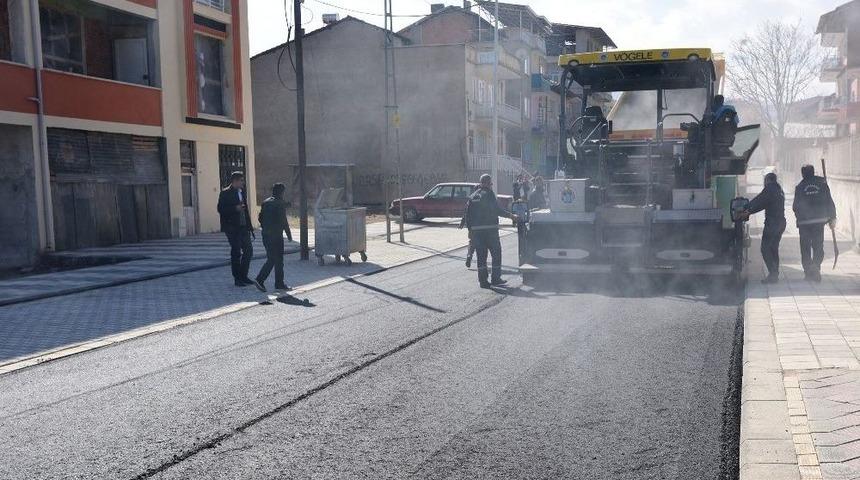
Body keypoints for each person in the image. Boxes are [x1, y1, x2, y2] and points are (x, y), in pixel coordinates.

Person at [464, 174, 516, 288]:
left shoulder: (472, 196)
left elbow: (467, 215)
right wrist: (511, 216)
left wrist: (470, 230)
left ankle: (483, 281)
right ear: (488, 184)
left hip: (477, 232)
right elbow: (496, 210)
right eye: (491, 184)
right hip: (490, 231)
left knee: (481, 257)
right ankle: (495, 279)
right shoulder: (489, 194)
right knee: (496, 254)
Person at [793, 164, 837, 282]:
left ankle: (808, 272)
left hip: (804, 223)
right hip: (819, 222)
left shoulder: (799, 187)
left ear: (803, 174)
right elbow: (829, 201)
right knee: (818, 247)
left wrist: (800, 217)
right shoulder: (822, 184)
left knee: (805, 248)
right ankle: (816, 266)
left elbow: (795, 206)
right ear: (813, 172)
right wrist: (832, 217)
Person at [741, 172, 786, 284]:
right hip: (781, 223)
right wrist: (748, 208)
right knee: (773, 248)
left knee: (765, 249)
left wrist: (748, 209)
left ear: (767, 180)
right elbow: (761, 200)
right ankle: (775, 274)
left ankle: (773, 274)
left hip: (772, 223)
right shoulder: (779, 189)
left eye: (765, 181)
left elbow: (760, 202)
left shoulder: (770, 189)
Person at [253, 183, 293, 292]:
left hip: (266, 235)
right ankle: (260, 279)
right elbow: (284, 221)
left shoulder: (265, 202)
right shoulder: (280, 203)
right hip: (276, 236)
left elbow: (260, 218)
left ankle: (279, 283)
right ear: (282, 192)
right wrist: (289, 235)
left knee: (275, 259)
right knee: (275, 259)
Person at [218, 171, 254, 287]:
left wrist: (249, 227)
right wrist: (235, 208)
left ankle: (244, 276)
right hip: (232, 228)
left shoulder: (241, 192)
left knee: (249, 251)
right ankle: (237, 278)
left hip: (243, 227)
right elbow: (220, 209)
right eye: (241, 180)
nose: (243, 183)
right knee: (236, 252)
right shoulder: (225, 193)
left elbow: (245, 210)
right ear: (235, 181)